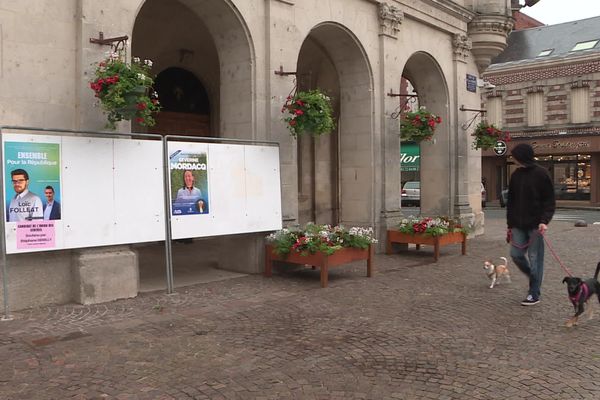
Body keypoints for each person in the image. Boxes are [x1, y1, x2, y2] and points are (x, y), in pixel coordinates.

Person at [506, 143, 555, 306]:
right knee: (516, 255)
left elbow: (549, 201)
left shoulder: (541, 174)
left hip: (535, 225)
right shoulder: (516, 175)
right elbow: (511, 202)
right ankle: (533, 277)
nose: (513, 159)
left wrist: (544, 221)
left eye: (515, 156)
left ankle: (534, 293)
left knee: (535, 259)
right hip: (518, 224)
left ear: (522, 156)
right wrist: (509, 225)